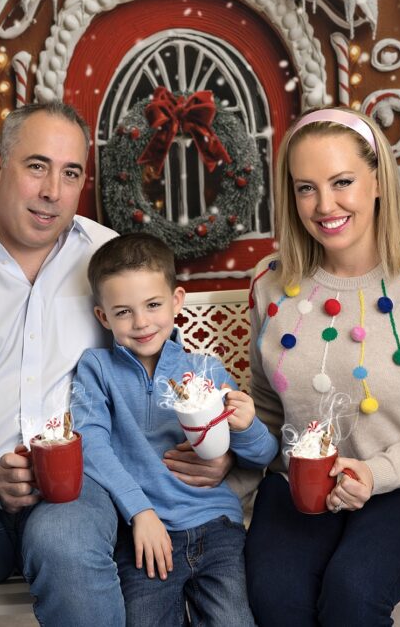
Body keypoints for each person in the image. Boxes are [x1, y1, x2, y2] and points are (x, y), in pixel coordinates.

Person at [0, 102, 233, 627]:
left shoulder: (108, 259)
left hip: (79, 482)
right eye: (36, 166)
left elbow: (158, 373)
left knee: (68, 551)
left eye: (70, 174)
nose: (52, 192)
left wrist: (210, 447)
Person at [243, 108, 400, 626]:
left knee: (352, 596)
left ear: (378, 182)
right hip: (303, 483)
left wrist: (376, 474)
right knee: (277, 602)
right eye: (306, 188)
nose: (324, 205)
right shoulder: (270, 284)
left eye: (342, 182)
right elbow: (266, 409)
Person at [73, 233, 278, 626]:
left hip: (217, 525)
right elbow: (91, 446)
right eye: (123, 312)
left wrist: (247, 426)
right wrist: (140, 513)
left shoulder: (205, 370)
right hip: (144, 533)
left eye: (153, 305)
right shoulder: (96, 370)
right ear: (103, 317)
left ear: (176, 301)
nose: (141, 322)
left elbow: (263, 455)